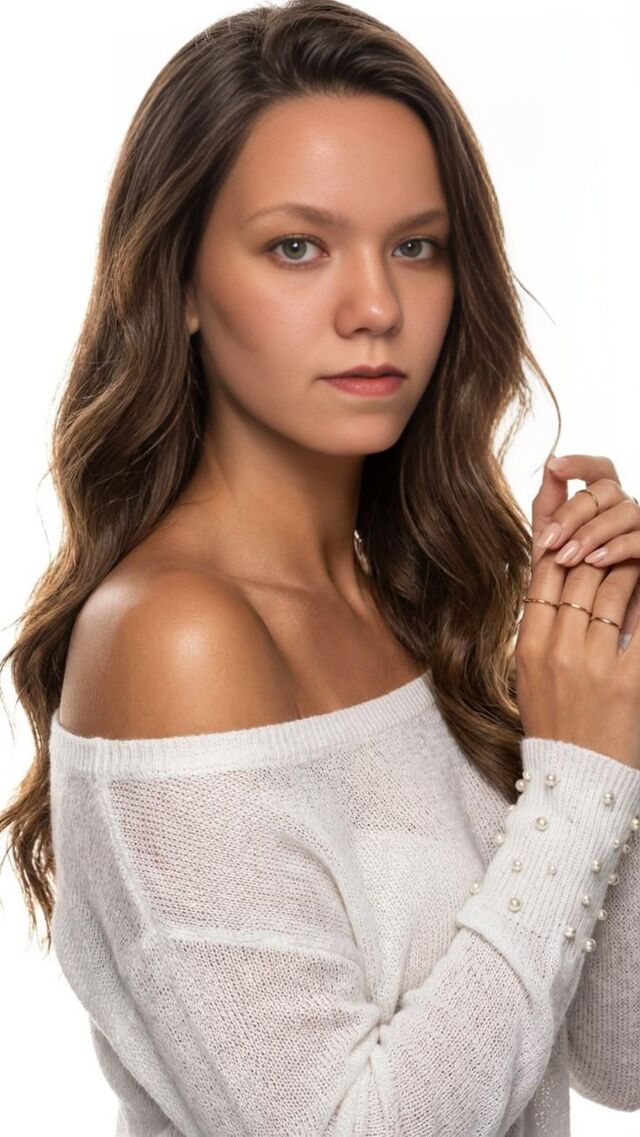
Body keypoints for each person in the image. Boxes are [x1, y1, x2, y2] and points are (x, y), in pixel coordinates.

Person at [1, 2, 640, 1134]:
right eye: (297, 246)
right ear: (180, 284)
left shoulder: (412, 603)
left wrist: (603, 696)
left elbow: (616, 1055)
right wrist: (575, 786)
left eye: (416, 246)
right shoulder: (173, 637)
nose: (376, 308)